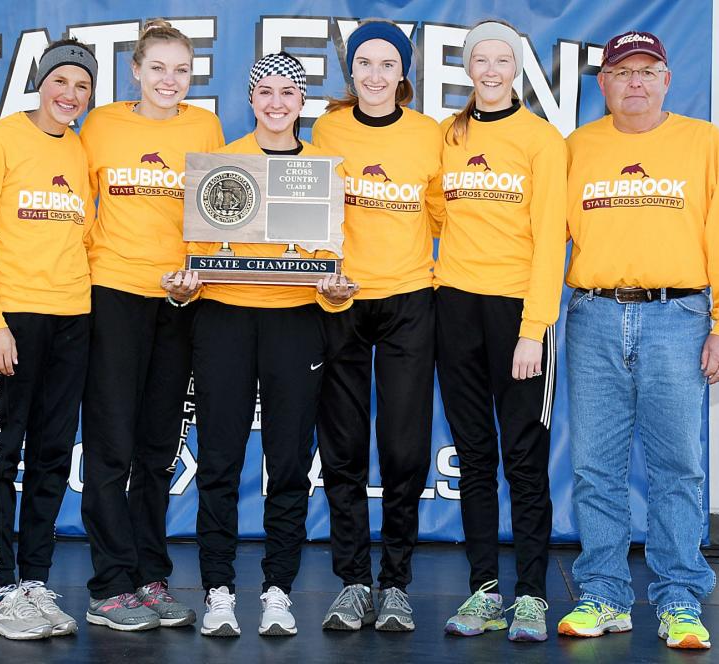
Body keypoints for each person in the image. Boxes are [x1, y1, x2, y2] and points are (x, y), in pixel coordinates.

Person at [556, 31, 719, 650]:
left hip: (679, 317)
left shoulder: (704, 143)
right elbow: (543, 241)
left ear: (668, 79)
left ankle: (678, 599)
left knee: (678, 468)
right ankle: (604, 594)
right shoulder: (576, 149)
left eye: (648, 71)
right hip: (592, 317)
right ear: (604, 85)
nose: (635, 82)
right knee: (594, 469)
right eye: (623, 73)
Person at [164, 52, 357, 638]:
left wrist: (335, 291)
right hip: (223, 318)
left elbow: (330, 268)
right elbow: (195, 254)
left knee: (290, 462)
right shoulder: (222, 165)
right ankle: (218, 590)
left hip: (295, 322)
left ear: (303, 104)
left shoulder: (324, 169)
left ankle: (279, 590)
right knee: (219, 459)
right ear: (250, 100)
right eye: (265, 92)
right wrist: (184, 286)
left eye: (287, 94)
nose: (276, 103)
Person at [78, 19, 224, 632]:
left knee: (158, 448)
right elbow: (80, 213)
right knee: (111, 445)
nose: (171, 80)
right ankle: (109, 585)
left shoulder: (204, 127)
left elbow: (220, 209)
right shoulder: (102, 126)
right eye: (158, 68)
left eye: (182, 70)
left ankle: (150, 575)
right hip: (113, 295)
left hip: (180, 301)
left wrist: (200, 270)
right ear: (135, 70)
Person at [0, 38, 97, 640]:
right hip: (13, 319)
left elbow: (84, 236)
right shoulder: (0, 139)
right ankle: (2, 592)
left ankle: (35, 581)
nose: (70, 94)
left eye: (83, 86)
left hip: (73, 318)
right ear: (40, 83)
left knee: (51, 456)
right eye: (61, 81)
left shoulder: (82, 147)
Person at [311, 20, 445, 632]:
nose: (374, 74)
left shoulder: (431, 136)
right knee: (341, 448)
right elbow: (312, 213)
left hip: (410, 300)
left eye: (386, 64)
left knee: (403, 447)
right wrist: (323, 271)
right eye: (363, 62)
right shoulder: (327, 129)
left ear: (403, 73)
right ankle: (353, 581)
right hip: (341, 300)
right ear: (351, 70)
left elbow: (446, 216)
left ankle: (395, 582)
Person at [436, 21, 566, 643]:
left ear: (516, 68)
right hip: (454, 308)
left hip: (518, 313)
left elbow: (550, 243)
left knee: (524, 458)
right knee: (477, 457)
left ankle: (534, 595)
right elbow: (434, 211)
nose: (491, 70)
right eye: (480, 59)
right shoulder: (448, 136)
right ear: (467, 68)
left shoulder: (541, 140)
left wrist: (533, 329)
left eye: (503, 60)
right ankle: (485, 591)